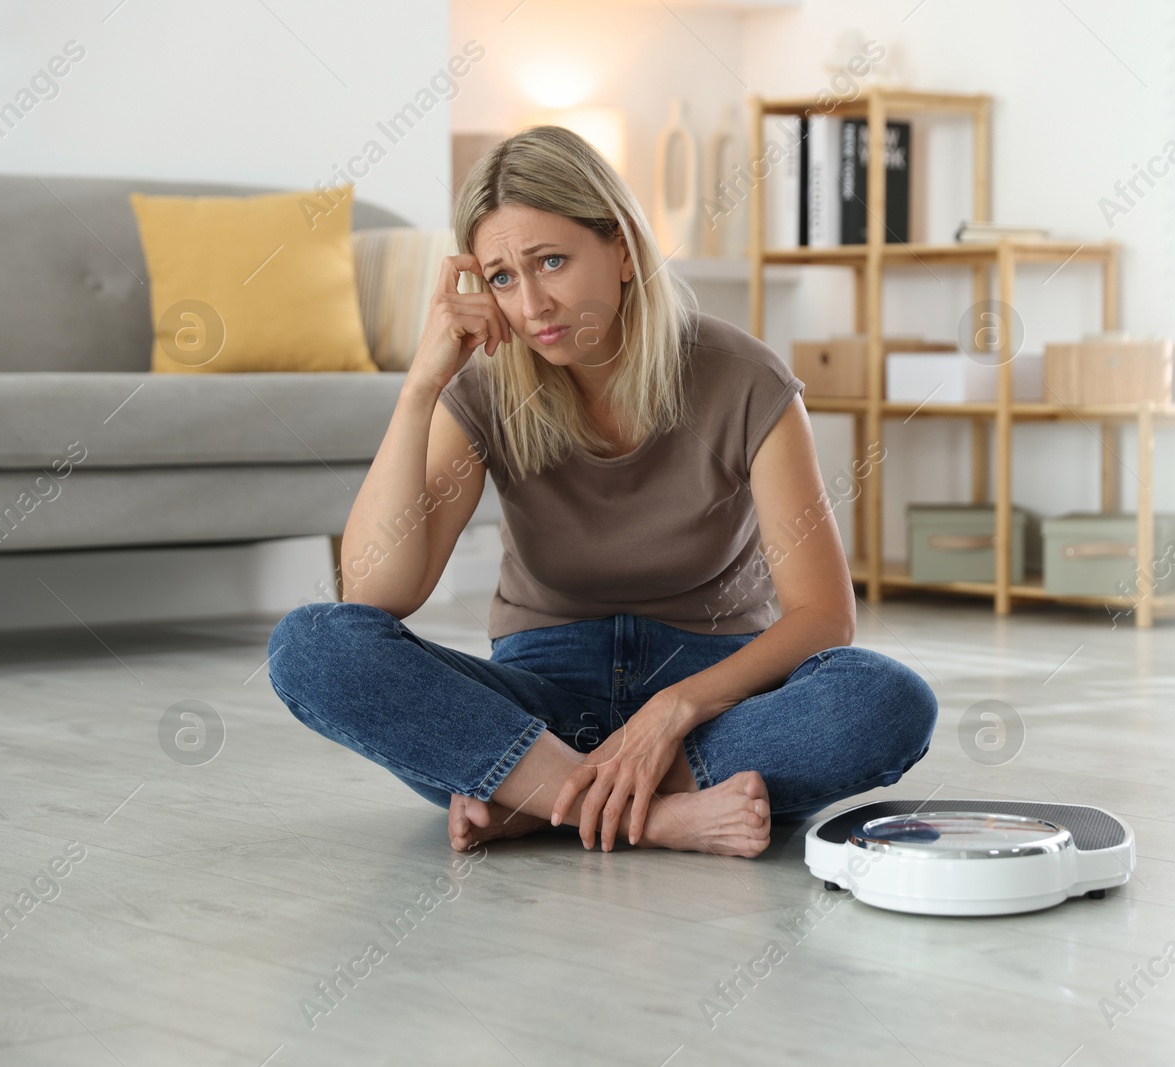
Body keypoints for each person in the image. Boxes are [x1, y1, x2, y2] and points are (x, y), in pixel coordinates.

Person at [265, 125, 937, 859]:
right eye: (501, 278)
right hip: (537, 707)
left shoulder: (746, 379)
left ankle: (537, 801)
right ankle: (652, 814)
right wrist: (422, 386)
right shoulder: (487, 387)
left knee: (886, 699)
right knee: (312, 643)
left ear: (620, 248)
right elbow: (374, 595)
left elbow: (823, 616)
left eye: (551, 261)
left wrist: (670, 710)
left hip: (709, 699)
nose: (531, 305)